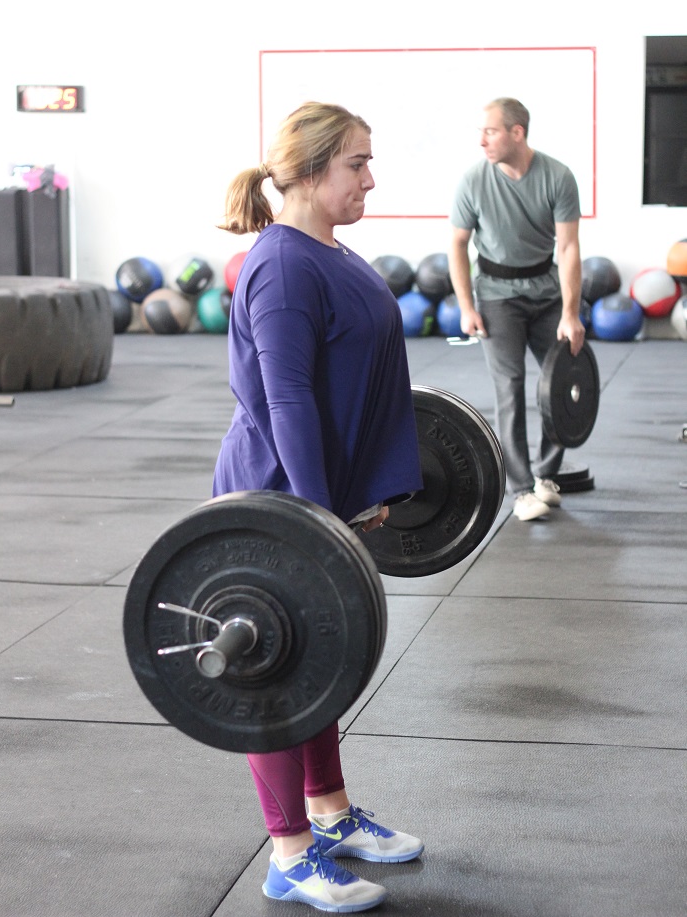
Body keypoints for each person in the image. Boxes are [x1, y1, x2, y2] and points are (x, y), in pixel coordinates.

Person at [212, 101, 425, 912]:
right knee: (274, 672)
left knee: (319, 660)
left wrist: (363, 491)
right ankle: (290, 853)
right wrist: (315, 515)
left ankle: (329, 813)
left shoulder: (327, 250)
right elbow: (287, 396)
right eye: (356, 163)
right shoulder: (282, 265)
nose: (370, 178)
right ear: (307, 170)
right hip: (278, 494)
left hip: (323, 490)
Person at [448, 97, 585, 522]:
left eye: (489, 132)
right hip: (496, 295)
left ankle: (546, 475)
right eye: (481, 132)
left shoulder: (557, 177)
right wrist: (467, 306)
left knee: (561, 381)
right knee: (509, 387)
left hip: (546, 291)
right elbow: (457, 244)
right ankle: (522, 489)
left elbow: (568, 248)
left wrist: (570, 313)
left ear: (517, 132)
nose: (482, 141)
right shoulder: (474, 180)